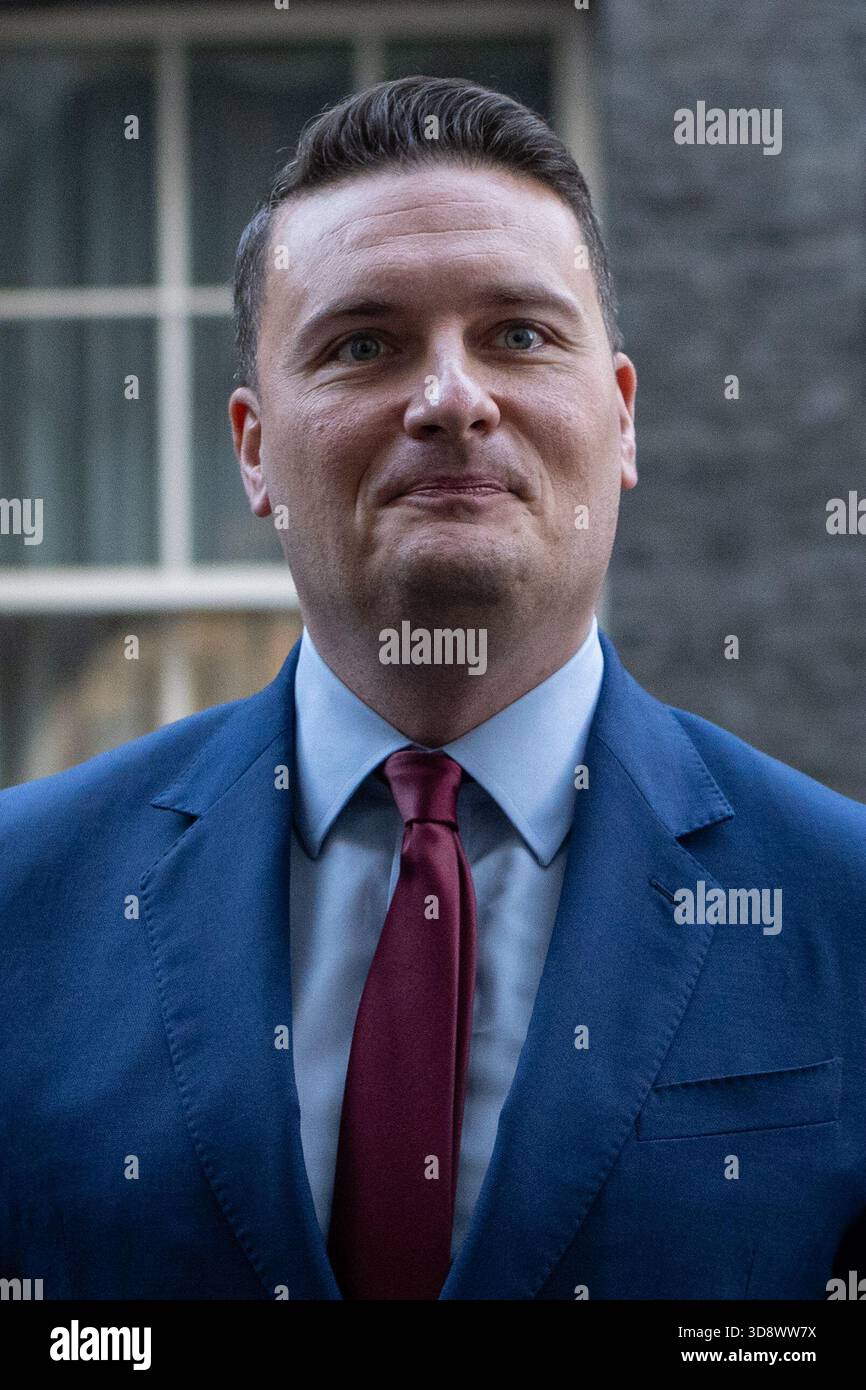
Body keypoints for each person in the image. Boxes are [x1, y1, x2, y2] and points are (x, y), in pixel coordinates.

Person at [1, 77, 864, 1302]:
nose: (450, 398)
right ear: (253, 447)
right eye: (365, 344)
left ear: (619, 421)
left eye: (517, 334)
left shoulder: (841, 910)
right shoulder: (19, 909)